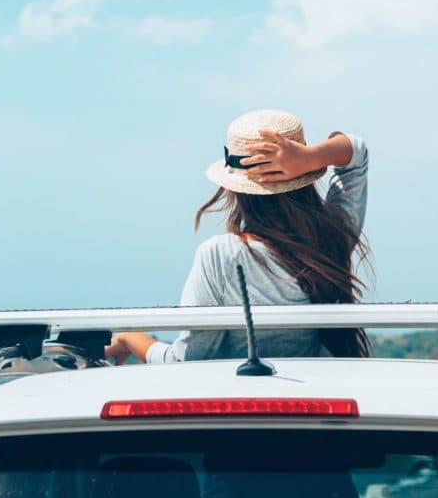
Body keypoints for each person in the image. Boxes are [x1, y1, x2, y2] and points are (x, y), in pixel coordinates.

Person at [105, 109, 370, 363]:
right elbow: (357, 156)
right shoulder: (330, 238)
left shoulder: (222, 255)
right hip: (317, 399)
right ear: (305, 175)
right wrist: (309, 157)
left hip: (246, 403)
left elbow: (189, 360)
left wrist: (130, 337)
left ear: (236, 189)